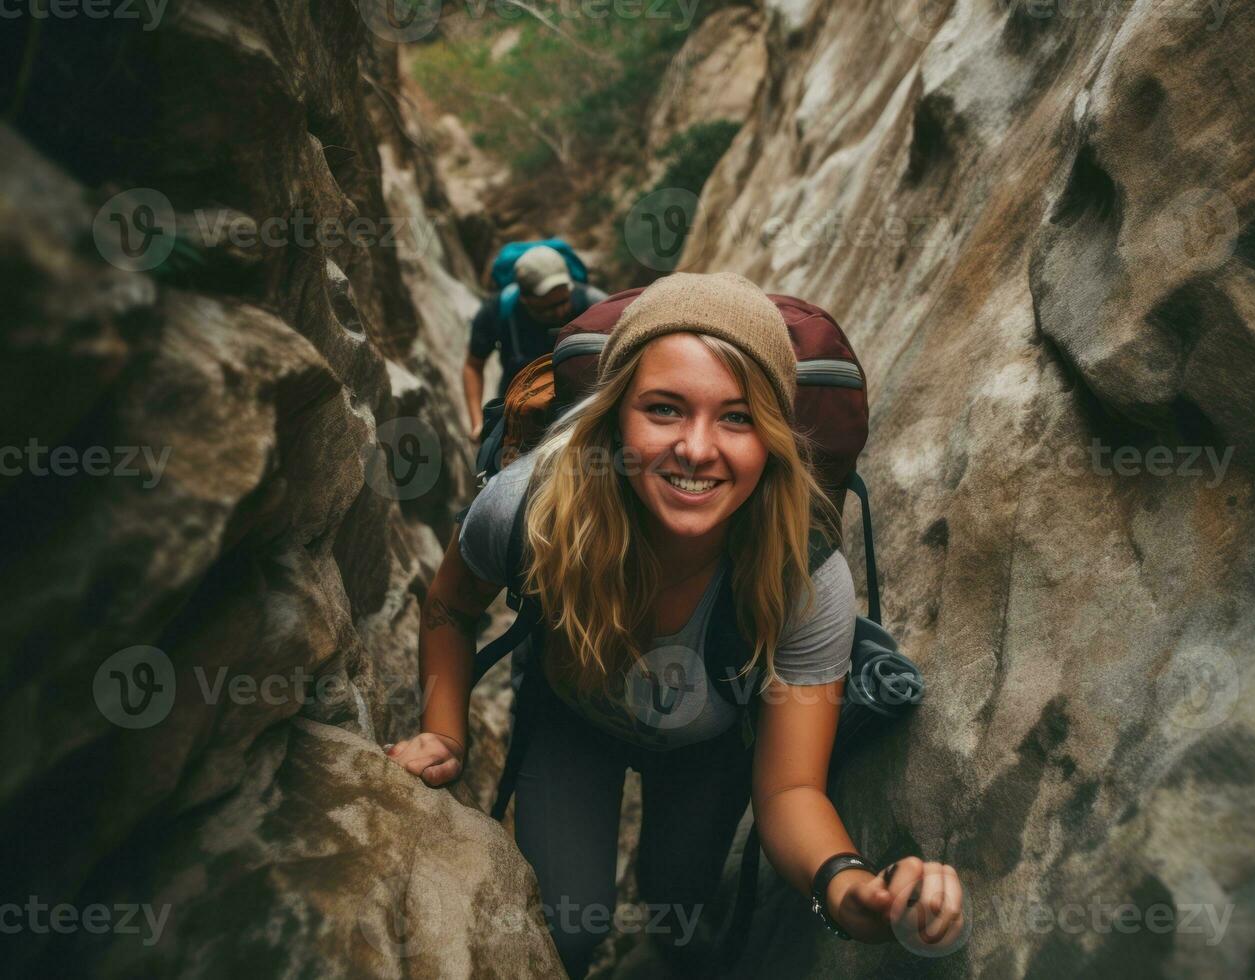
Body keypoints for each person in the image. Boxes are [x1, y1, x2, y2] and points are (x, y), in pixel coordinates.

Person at [395, 272, 966, 977]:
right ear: (611, 419)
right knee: (566, 931)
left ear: (773, 440)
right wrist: (445, 731)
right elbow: (451, 606)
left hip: (709, 751)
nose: (696, 449)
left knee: (678, 910)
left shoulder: (804, 579)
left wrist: (850, 891)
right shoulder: (525, 509)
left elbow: (789, 790)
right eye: (663, 409)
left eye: (737, 417)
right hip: (568, 722)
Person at [462, 244, 609, 443]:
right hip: (519, 416)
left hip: (581, 411)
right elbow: (473, 366)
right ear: (525, 297)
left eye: (564, 302)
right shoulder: (497, 313)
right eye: (548, 308)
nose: (559, 312)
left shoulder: (593, 304)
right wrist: (477, 423)